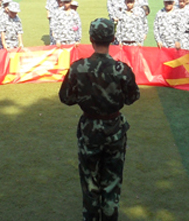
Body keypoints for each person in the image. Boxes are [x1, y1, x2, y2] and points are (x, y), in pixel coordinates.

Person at [59, 18, 140, 221]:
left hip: (89, 130)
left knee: (89, 181)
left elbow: (66, 98)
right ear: (113, 38)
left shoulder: (78, 68)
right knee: (112, 182)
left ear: (91, 38)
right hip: (114, 130)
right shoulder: (122, 70)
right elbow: (132, 97)